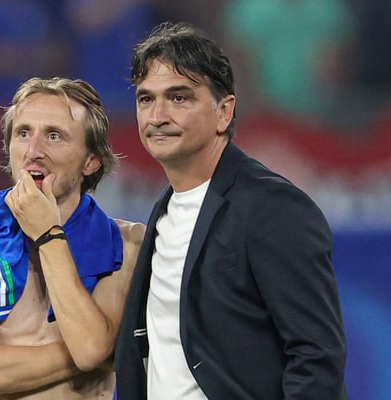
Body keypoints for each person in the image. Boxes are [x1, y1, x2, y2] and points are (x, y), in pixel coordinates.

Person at [115, 22, 348, 399]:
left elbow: (317, 357)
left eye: (179, 98)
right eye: (146, 99)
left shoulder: (272, 207)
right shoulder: (164, 213)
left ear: (223, 112)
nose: (157, 116)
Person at [0, 77, 145, 399]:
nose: (33, 152)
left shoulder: (127, 244)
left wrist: (48, 235)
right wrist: (98, 350)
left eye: (54, 136)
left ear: (91, 161)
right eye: (23, 133)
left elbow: (90, 348)